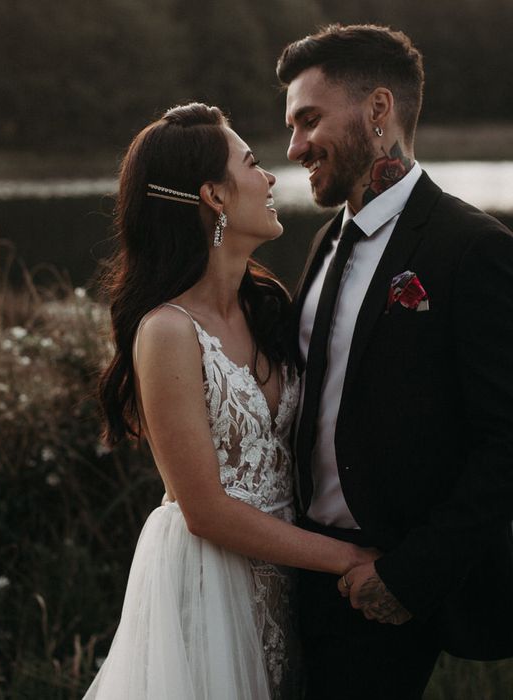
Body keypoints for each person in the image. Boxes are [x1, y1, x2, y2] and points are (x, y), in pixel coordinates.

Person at [83, 102, 377, 700]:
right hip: (209, 584)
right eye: (253, 163)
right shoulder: (167, 331)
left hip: (287, 578)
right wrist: (350, 558)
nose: (270, 178)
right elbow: (205, 511)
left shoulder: (266, 307)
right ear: (214, 196)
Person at [277, 23, 513, 699]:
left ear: (378, 110)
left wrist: (408, 577)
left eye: (309, 120)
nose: (294, 148)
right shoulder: (327, 240)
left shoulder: (473, 249)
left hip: (384, 584)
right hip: (303, 567)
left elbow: (507, 442)